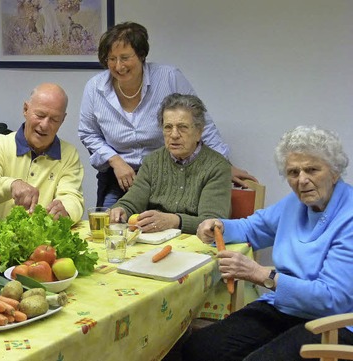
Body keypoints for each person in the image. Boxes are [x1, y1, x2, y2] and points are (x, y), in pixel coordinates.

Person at [182, 125, 353, 361]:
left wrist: (262, 275)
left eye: (312, 170)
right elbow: (253, 227)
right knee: (200, 348)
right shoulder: (294, 204)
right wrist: (218, 226)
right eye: (293, 172)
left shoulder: (349, 216)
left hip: (336, 321)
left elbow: (332, 300)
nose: (302, 180)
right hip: (286, 306)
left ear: (334, 172)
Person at [78, 21, 256, 207]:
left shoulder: (168, 77)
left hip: (167, 176)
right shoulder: (94, 88)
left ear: (141, 55)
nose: (118, 66)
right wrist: (115, 161)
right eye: (111, 59)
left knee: (163, 228)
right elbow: (88, 133)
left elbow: (201, 123)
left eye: (125, 57)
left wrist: (223, 165)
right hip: (119, 177)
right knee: (109, 226)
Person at [0, 83, 84, 239]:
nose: (44, 125)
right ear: (25, 109)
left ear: (62, 120)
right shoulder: (1, 144)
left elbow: (72, 196)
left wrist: (66, 209)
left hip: (43, 246)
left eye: (54, 119)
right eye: (40, 115)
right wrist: (11, 185)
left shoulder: (69, 154)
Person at [109, 93, 231, 234]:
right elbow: (131, 203)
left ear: (199, 132)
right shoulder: (152, 161)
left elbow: (212, 222)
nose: (174, 135)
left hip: (196, 245)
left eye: (182, 127)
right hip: (153, 242)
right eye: (168, 127)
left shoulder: (217, 167)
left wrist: (175, 221)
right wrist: (121, 210)